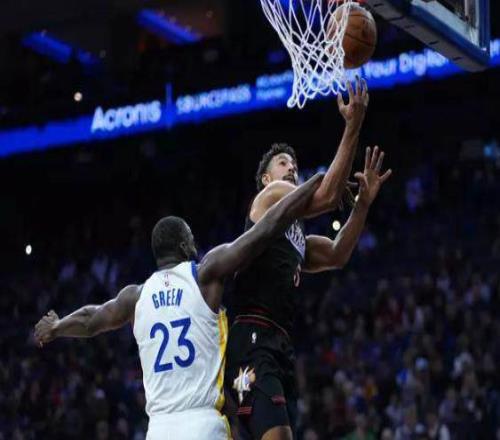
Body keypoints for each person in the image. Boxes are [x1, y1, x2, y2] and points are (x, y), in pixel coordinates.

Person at [33, 173, 323, 440]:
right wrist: (312, 184)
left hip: (159, 428)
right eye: (191, 239)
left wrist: (57, 327)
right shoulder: (204, 275)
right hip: (202, 423)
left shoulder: (135, 297)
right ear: (185, 245)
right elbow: (266, 229)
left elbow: (91, 318)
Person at [226, 78, 392, 440]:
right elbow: (328, 195)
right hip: (252, 337)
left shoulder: (297, 234)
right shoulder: (270, 198)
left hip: (279, 343)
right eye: (283, 163)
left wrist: (362, 206)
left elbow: (337, 254)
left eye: (294, 164)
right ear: (266, 178)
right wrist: (353, 125)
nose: (291, 168)